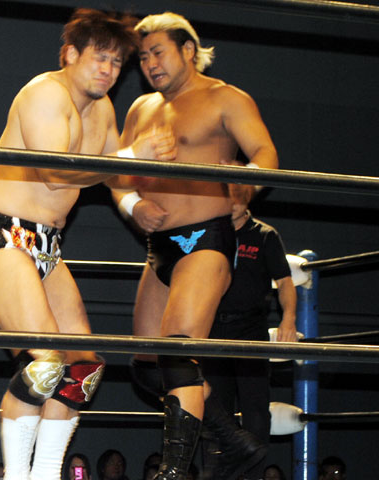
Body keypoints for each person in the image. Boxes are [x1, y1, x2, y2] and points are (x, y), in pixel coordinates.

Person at [0, 8, 176, 480]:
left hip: (48, 246)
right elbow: (56, 173)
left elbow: (114, 173)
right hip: (6, 237)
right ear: (70, 54)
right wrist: (131, 157)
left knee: (83, 369)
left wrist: (141, 192)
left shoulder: (102, 111)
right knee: (46, 365)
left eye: (116, 62)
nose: (108, 70)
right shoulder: (44, 93)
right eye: (99, 57)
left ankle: (46, 473)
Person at [111, 11, 279, 480]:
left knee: (177, 352)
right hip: (159, 247)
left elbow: (266, 154)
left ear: (188, 49)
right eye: (143, 57)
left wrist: (245, 184)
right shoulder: (140, 109)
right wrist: (132, 206)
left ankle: (173, 472)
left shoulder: (225, 98)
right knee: (148, 366)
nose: (150, 64)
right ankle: (233, 439)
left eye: (158, 52)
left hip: (205, 239)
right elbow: (115, 174)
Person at [201, 194, 297, 479]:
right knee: (215, 410)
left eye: (238, 195)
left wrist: (289, 318)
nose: (233, 202)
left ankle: (254, 476)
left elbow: (285, 281)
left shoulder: (264, 235)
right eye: (228, 195)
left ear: (247, 198)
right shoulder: (210, 232)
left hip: (250, 331)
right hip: (214, 330)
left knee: (256, 411)